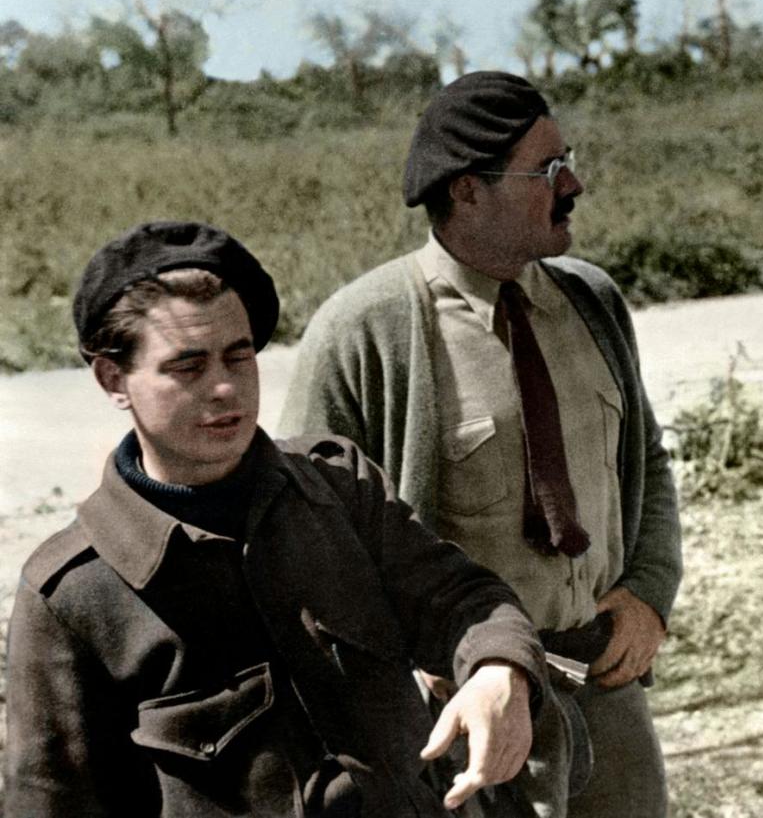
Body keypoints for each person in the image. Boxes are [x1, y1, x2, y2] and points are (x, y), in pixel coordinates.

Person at [5, 221, 549, 817]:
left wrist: (500, 667)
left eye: (239, 356)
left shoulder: (337, 489)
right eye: (187, 367)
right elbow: (52, 803)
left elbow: (462, 598)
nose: (224, 388)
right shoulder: (74, 593)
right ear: (115, 380)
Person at [279, 70, 682, 818]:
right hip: (462, 713)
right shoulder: (363, 331)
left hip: (604, 683)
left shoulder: (592, 301)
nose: (575, 183)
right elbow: (307, 536)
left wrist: (651, 592)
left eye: (569, 159)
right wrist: (408, 675)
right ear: (467, 190)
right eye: (548, 169)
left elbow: (647, 460)